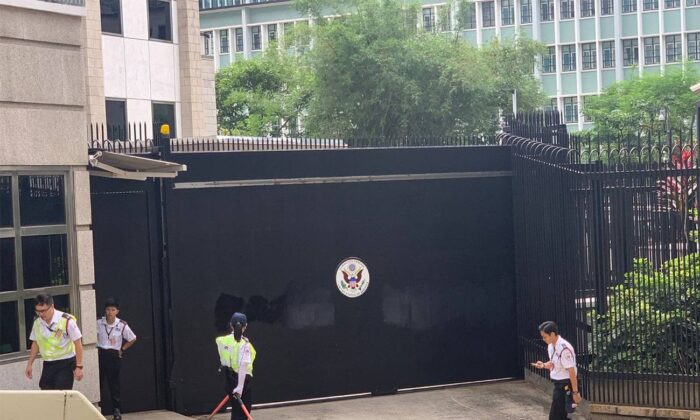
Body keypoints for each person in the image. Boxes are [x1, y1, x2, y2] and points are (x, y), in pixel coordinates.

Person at [25, 293, 84, 390]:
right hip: (48, 363)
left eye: (43, 311)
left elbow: (78, 342)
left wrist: (79, 366)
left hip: (65, 362)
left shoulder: (66, 321)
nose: (41, 314)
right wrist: (30, 364)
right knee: (45, 390)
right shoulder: (37, 323)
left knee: (60, 394)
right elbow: (35, 343)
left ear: (52, 306)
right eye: (38, 311)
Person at [532, 321, 582, 420]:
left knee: (555, 416)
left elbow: (571, 371)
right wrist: (543, 365)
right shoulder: (551, 346)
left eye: (545, 336)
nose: (543, 339)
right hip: (558, 385)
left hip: (566, 385)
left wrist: (575, 393)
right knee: (560, 415)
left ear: (553, 334)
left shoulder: (564, 349)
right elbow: (554, 363)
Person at [97, 298, 137, 420]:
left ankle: (116, 409)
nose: (110, 312)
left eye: (113, 310)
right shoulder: (98, 323)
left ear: (117, 311)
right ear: (105, 310)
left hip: (114, 355)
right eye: (108, 309)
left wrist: (122, 349)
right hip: (100, 354)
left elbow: (133, 338)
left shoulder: (122, 324)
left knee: (113, 384)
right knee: (99, 383)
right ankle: (97, 408)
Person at [219, 312, 256, 420]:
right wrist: (240, 386)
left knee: (236, 409)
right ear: (245, 326)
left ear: (231, 325)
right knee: (243, 412)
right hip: (241, 380)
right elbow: (243, 366)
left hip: (228, 379)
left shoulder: (222, 340)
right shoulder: (244, 345)